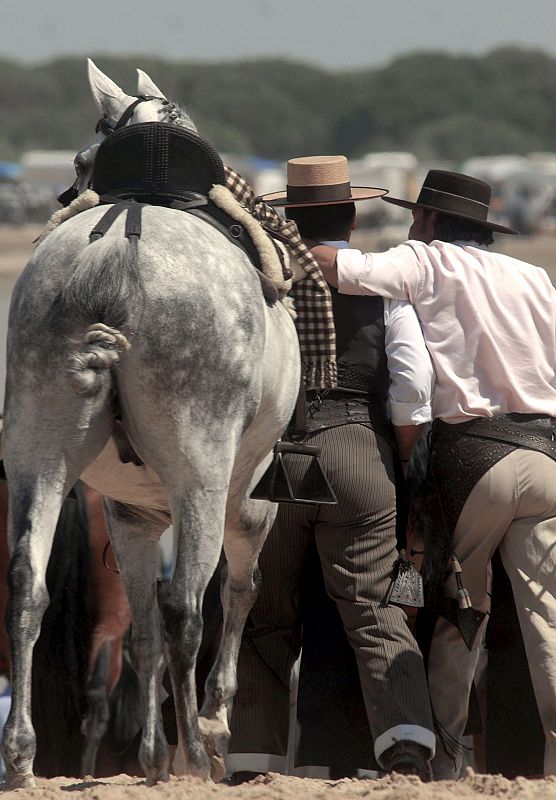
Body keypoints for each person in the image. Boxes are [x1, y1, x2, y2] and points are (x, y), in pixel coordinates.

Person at [308, 169, 556, 778]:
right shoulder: (536, 278)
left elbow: (336, 268)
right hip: (547, 456)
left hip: (474, 459)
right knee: (548, 622)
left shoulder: (425, 260)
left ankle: (446, 766)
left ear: (434, 221)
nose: (413, 224)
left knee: (456, 618)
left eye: (418, 215)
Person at [226, 155, 436, 781]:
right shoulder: (383, 290)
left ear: (290, 217)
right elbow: (414, 387)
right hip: (357, 446)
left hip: (274, 453)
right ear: (350, 215)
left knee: (263, 614)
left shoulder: (263, 284)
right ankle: (404, 745)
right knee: (373, 609)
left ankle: (251, 762)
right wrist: (393, 459)